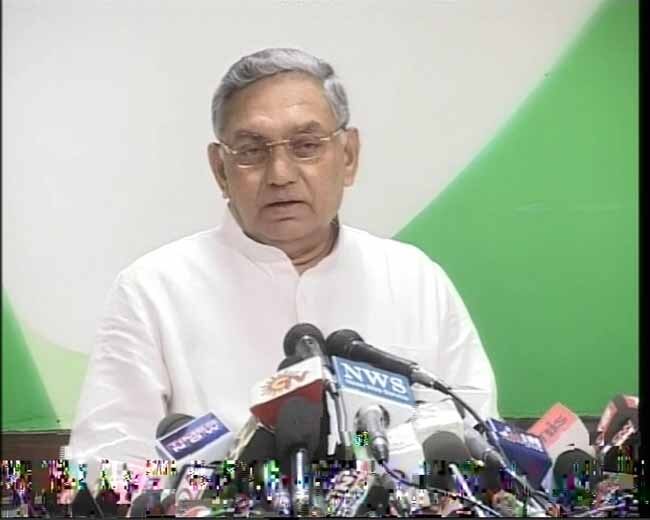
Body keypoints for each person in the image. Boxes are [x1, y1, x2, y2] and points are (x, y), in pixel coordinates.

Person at [68, 48, 499, 472]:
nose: (280, 174)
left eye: (306, 146)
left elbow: (479, 438)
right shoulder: (151, 290)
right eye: (252, 151)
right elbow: (102, 468)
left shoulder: (414, 279)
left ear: (348, 156)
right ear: (220, 170)